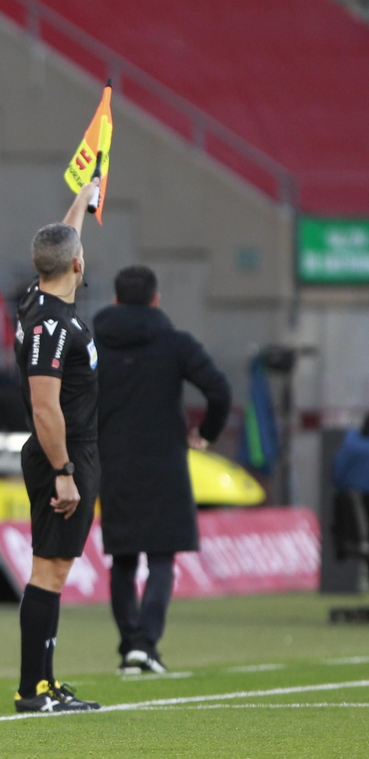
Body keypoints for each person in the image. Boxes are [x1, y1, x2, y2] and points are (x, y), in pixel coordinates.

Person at [95, 265, 230, 675]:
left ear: (116, 300)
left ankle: (127, 647)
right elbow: (219, 391)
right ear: (156, 299)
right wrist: (205, 433)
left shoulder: (94, 341)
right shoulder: (175, 343)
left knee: (122, 559)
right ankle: (146, 645)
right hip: (164, 461)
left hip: (113, 460)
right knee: (161, 557)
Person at [12, 180, 103, 714]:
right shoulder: (52, 324)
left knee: (55, 569)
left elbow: (65, 240)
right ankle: (34, 689)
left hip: (67, 451)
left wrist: (83, 198)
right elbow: (45, 406)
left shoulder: (37, 297)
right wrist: (64, 469)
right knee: (48, 571)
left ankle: (44, 684)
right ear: (76, 265)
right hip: (62, 452)